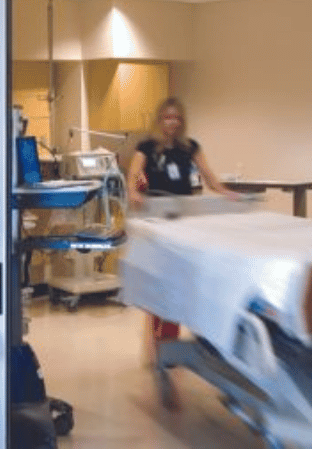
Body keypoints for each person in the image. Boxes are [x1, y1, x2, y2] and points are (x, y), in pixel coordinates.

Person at [127, 96, 237, 408]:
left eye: (176, 118)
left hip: (186, 221)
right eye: (167, 117)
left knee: (183, 284)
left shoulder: (190, 147)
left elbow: (209, 176)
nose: (172, 123)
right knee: (160, 286)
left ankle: (172, 347)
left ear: (182, 121)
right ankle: (159, 347)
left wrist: (226, 193)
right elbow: (133, 175)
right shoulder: (147, 147)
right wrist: (133, 192)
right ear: (159, 120)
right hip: (158, 220)